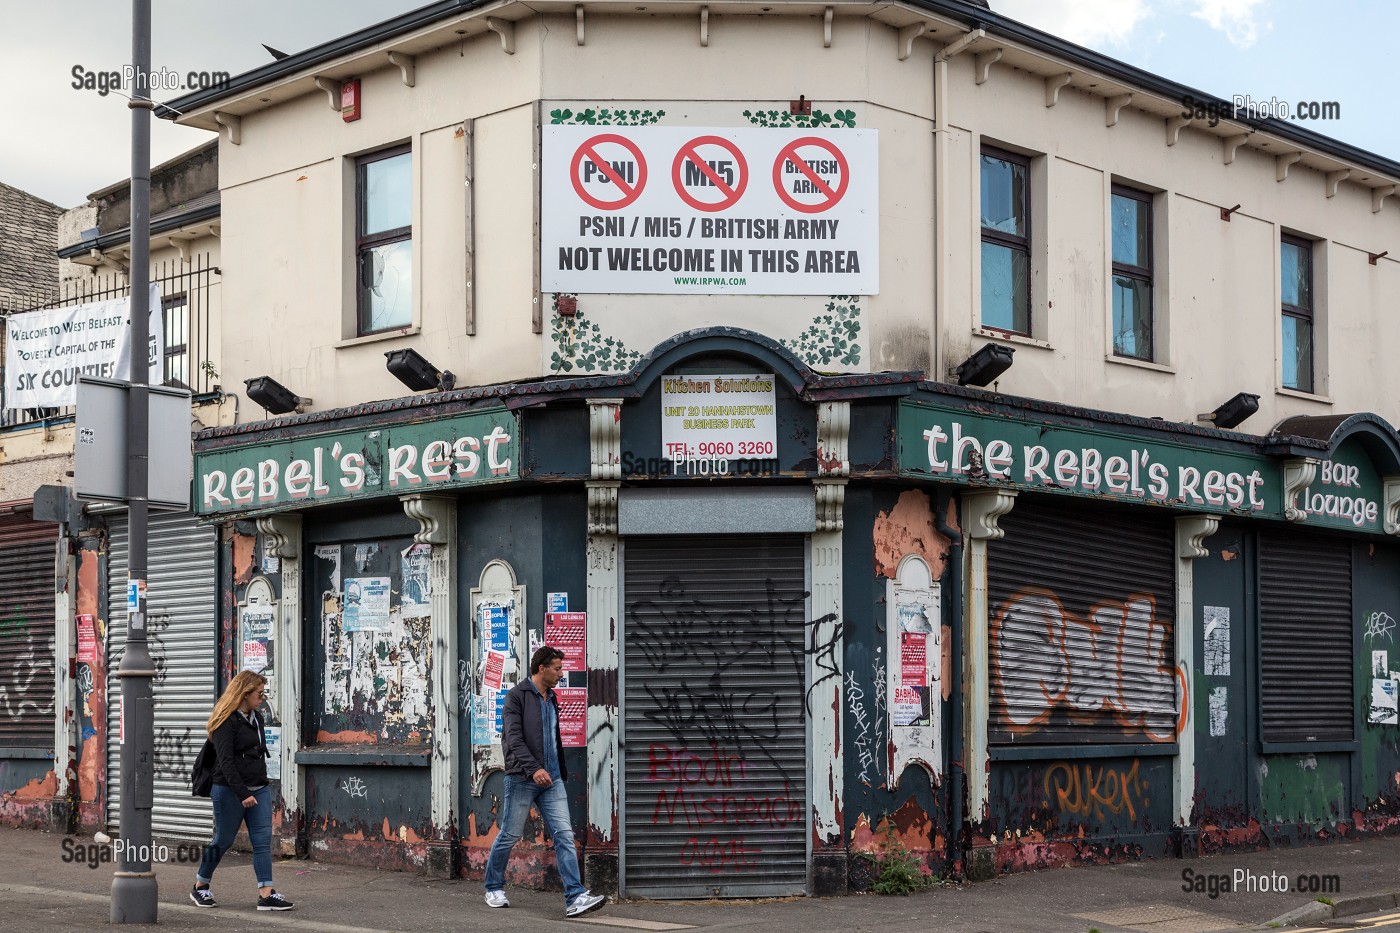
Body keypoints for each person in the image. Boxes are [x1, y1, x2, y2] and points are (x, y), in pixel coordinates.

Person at [484, 645, 605, 917]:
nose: (561, 674)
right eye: (558, 668)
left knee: (564, 835)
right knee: (510, 835)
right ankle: (493, 886)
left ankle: (575, 897)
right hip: (523, 777)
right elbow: (513, 739)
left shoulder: (552, 698)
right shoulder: (516, 697)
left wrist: (553, 771)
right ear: (542, 668)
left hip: (552, 779)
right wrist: (534, 768)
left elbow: (552, 739)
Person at [190, 670, 294, 911]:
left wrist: (261, 780)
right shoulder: (226, 721)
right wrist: (242, 792)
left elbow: (256, 754)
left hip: (258, 788)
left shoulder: (256, 718)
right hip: (228, 790)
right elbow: (226, 762)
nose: (263, 697)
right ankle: (200, 886)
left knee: (262, 841)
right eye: (259, 693)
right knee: (223, 840)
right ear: (244, 694)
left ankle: (266, 894)